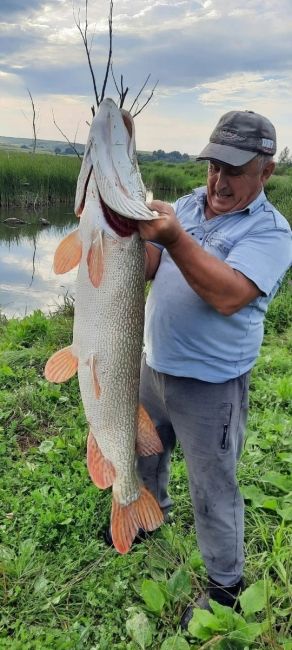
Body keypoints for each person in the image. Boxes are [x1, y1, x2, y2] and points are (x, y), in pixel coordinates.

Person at [134, 110, 292, 627]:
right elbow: (155, 264)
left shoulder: (272, 232)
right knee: (144, 452)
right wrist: (129, 234)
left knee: (213, 486)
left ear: (265, 172)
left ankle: (225, 586)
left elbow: (228, 296)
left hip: (210, 386)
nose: (218, 181)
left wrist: (176, 238)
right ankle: (147, 516)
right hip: (154, 364)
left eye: (234, 170)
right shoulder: (188, 206)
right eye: (212, 166)